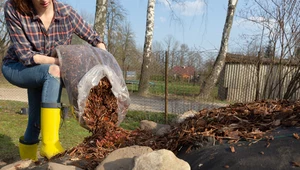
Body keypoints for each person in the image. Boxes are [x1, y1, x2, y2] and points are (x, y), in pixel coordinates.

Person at [1, 0, 106, 160]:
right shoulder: (14, 8)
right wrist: (63, 62)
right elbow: (25, 56)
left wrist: (105, 58)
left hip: (44, 72)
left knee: (36, 121)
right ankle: (50, 144)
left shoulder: (66, 12)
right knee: (54, 71)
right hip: (18, 67)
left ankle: (27, 161)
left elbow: (94, 38)